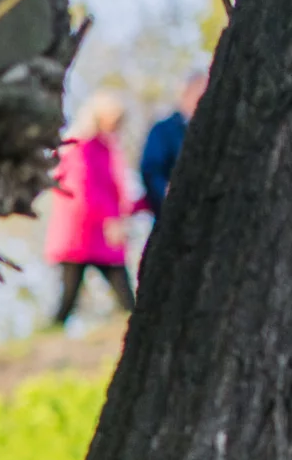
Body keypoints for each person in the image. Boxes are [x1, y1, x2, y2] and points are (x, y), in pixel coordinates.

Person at [47, 92, 136, 325]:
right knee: (68, 297)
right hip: (82, 233)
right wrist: (110, 219)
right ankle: (51, 335)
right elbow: (82, 190)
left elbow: (113, 190)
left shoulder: (106, 150)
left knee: (125, 296)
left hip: (101, 234)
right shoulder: (81, 148)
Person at [139, 67, 207, 213]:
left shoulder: (207, 132)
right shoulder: (163, 129)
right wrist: (169, 195)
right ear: (186, 92)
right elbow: (151, 170)